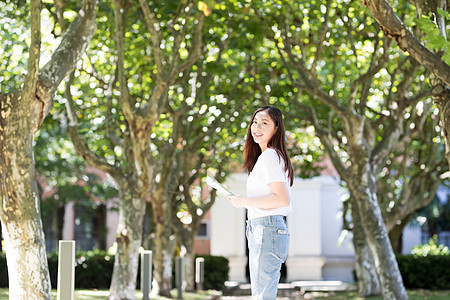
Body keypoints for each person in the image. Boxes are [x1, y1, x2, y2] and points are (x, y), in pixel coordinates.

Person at [227, 106, 294, 300]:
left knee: (262, 296)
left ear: (276, 128)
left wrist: (245, 202)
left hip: (266, 228)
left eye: (264, 123)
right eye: (255, 122)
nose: (257, 127)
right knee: (262, 294)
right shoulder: (268, 157)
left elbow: (282, 198)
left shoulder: (270, 157)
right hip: (266, 229)